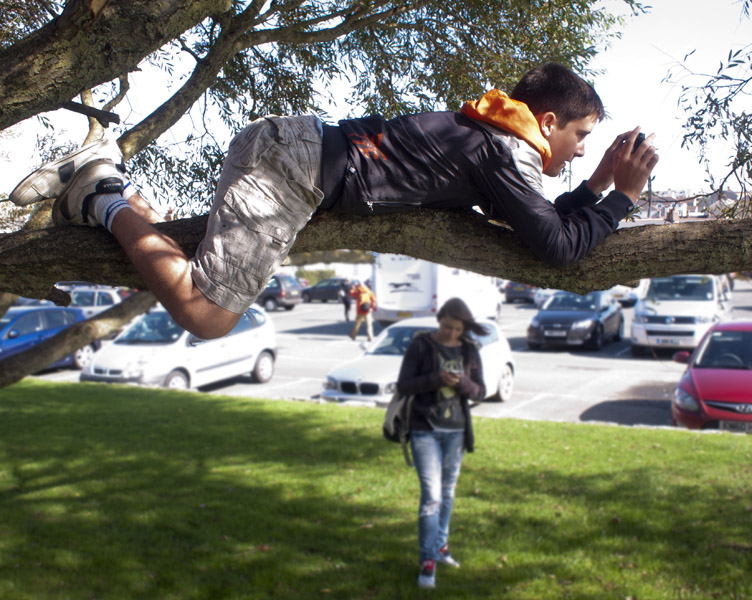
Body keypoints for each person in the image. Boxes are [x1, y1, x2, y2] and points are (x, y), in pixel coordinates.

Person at [8, 63, 659, 340]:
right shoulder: (507, 150)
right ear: (547, 122)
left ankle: (107, 194)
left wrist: (599, 186)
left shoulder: (493, 136)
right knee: (206, 316)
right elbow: (557, 248)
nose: (581, 151)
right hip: (292, 171)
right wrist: (624, 197)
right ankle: (104, 192)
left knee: (183, 268)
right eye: (581, 137)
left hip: (293, 155)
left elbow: (537, 223)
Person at [396, 297, 486, 589]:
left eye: (458, 329)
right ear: (439, 319)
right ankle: (427, 561)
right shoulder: (420, 345)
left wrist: (462, 383)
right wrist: (436, 379)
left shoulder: (470, 350)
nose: (452, 334)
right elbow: (403, 385)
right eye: (448, 327)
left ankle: (441, 546)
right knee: (431, 496)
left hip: (456, 431)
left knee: (447, 493)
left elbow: (480, 392)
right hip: (425, 429)